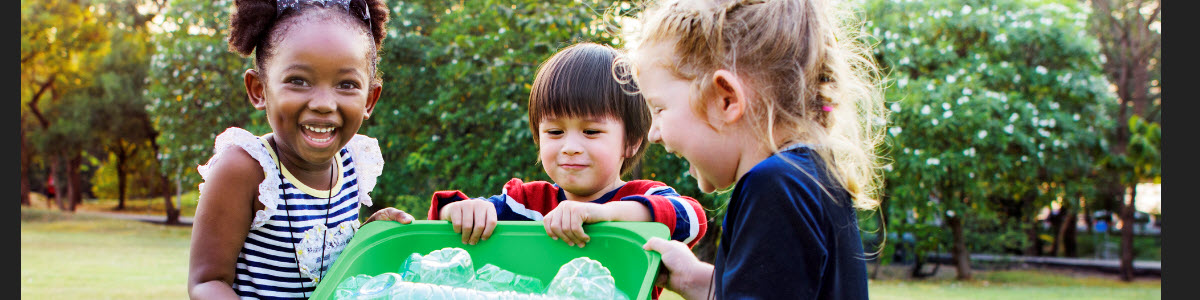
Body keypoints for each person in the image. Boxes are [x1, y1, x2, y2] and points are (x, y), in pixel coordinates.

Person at [620, 0, 888, 298]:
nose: (653, 133)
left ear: (726, 100)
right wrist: (694, 279)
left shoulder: (774, 187)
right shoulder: (811, 178)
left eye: (659, 109)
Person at [187, 0, 415, 299]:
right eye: (298, 81)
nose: (323, 103)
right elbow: (206, 283)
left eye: (346, 85)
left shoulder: (352, 165)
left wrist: (367, 238)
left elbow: (326, 273)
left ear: (370, 99)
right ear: (259, 90)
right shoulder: (247, 169)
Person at [427, 43, 708, 251]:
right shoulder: (526, 205)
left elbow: (692, 218)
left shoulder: (643, 197)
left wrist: (605, 214)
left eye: (591, 131)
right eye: (555, 131)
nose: (570, 147)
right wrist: (463, 211)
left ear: (632, 141)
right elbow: (444, 218)